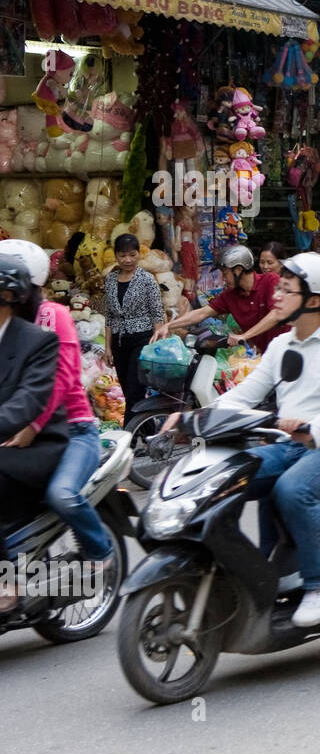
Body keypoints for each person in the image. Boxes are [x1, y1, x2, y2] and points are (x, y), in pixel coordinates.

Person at [165, 253, 320, 627]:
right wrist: (193, 417)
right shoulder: (281, 346)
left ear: (314, 299)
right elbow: (243, 395)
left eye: (287, 290)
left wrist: (312, 427)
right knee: (224, 479)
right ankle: (252, 572)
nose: (276, 296)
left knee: (293, 490)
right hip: (289, 444)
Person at [0, 240, 115, 579]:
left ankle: (100, 550)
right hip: (22, 430)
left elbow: (61, 378)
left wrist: (32, 425)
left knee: (61, 495)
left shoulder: (53, 315)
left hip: (74, 430)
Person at [0, 254, 69, 611]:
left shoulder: (38, 341)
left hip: (35, 447)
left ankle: (5, 580)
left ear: (8, 296)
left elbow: (28, 401)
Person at [159, 245, 288, 353]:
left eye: (225, 273)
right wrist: (169, 325)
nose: (223, 279)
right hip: (266, 355)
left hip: (288, 350)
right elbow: (202, 313)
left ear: (238, 270)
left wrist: (244, 336)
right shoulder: (230, 295)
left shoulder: (270, 281)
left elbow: (276, 314)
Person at [103, 233, 165, 422]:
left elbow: (157, 313)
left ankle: (128, 439)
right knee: (127, 389)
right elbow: (109, 316)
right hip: (119, 342)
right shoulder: (111, 280)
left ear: (139, 254)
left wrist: (157, 345)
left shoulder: (147, 280)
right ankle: (147, 432)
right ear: (116, 256)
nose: (127, 260)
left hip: (142, 340)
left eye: (132, 254)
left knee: (134, 391)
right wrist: (107, 347)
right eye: (122, 255)